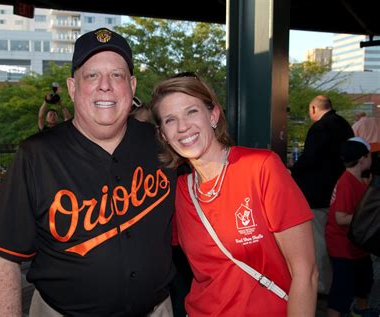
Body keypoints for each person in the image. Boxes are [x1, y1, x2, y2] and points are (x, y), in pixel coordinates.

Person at [0, 27, 177, 316]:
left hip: (157, 310)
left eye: (117, 75)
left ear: (133, 86)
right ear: (72, 87)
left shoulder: (162, 143)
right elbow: (2, 258)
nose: (105, 85)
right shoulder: (36, 155)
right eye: (92, 75)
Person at [149, 74, 318, 316]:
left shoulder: (260, 168)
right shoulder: (178, 192)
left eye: (192, 112)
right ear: (164, 135)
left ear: (213, 115)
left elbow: (306, 272)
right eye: (170, 120)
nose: (183, 126)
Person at [290, 95, 354, 294]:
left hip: (317, 194)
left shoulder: (319, 128)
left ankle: (322, 286)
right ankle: (339, 282)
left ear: (313, 108)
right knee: (337, 238)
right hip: (340, 190)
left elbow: (310, 159)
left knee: (318, 241)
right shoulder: (343, 125)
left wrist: (294, 169)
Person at [325, 137, 376, 317]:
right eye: (370, 156)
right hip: (343, 247)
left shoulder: (357, 180)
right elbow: (340, 218)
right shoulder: (346, 182)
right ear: (362, 159)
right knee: (342, 290)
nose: (372, 159)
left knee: (364, 281)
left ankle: (361, 310)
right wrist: (369, 218)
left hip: (357, 245)